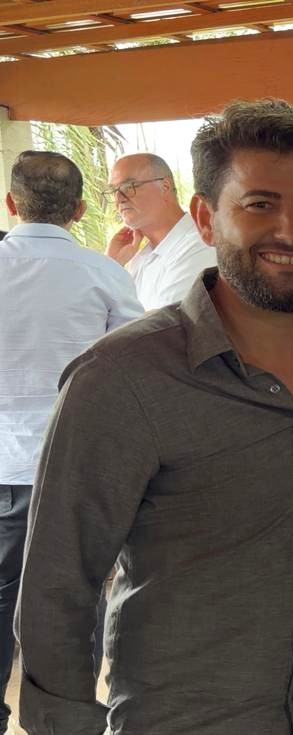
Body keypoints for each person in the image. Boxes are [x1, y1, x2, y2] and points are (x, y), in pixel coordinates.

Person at [18, 100, 293, 735]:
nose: (290, 230)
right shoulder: (121, 378)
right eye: (259, 204)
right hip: (190, 718)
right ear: (206, 218)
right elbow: (58, 585)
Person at [0, 150, 141, 734]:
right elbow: (136, 365)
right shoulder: (104, 275)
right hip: (78, 471)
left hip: (3, 468)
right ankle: (68, 723)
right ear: (80, 210)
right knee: (74, 601)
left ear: (11, 204)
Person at [104, 152, 216, 308]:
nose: (118, 199)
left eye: (129, 187)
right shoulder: (140, 258)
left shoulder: (199, 246)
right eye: (113, 191)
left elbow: (166, 322)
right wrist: (112, 264)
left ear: (165, 186)